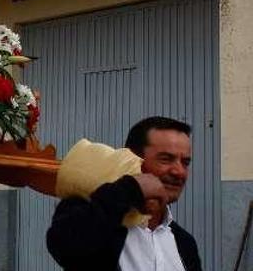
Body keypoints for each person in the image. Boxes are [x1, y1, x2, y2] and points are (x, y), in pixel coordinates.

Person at [47, 116, 202, 271]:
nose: (179, 172)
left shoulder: (185, 243)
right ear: (132, 158)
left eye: (185, 162)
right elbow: (65, 246)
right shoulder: (93, 215)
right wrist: (130, 187)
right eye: (166, 159)